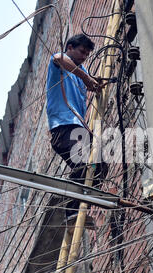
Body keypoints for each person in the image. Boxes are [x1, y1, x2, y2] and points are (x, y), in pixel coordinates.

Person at [46, 34, 106, 230]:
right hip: (63, 128)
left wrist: (93, 82)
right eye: (81, 52)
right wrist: (87, 78)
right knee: (83, 165)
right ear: (70, 47)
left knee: (100, 166)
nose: (83, 57)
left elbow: (86, 79)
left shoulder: (81, 72)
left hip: (77, 128)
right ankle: (70, 212)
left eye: (87, 55)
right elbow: (59, 59)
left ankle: (79, 209)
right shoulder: (60, 63)